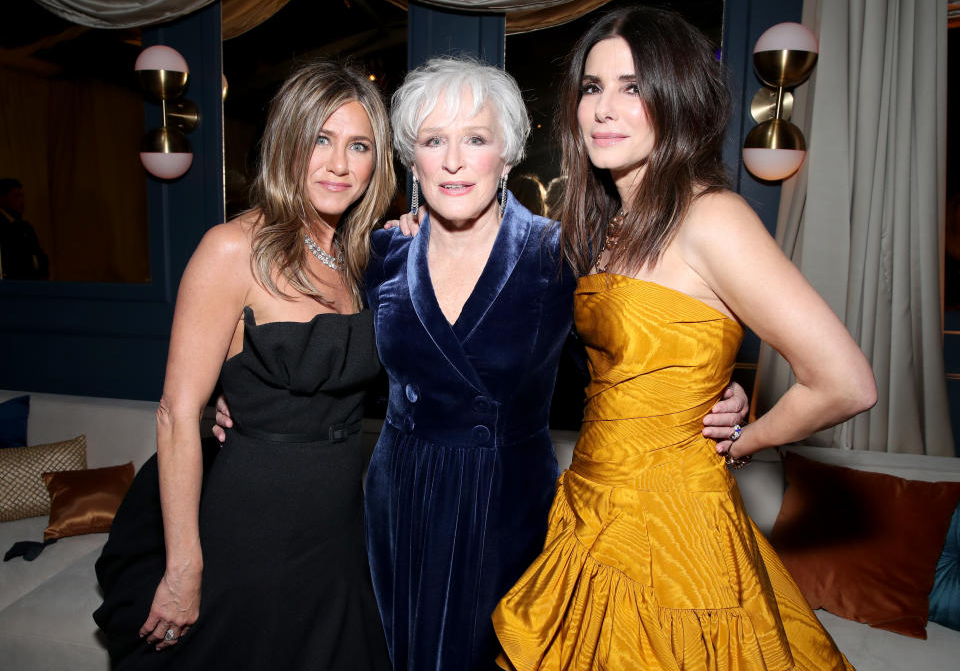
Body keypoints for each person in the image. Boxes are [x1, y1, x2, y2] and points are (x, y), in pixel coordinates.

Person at [213, 57, 748, 670]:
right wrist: (237, 393)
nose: (454, 159)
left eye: (475, 139)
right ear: (413, 160)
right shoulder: (379, 252)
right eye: (434, 141)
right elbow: (311, 338)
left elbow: (633, 352)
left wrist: (722, 392)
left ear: (509, 153)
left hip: (509, 504)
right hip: (399, 501)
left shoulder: (561, 254)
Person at [492, 7, 877, 671]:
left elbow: (846, 382)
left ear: (677, 100)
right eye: (592, 87)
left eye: (632, 87)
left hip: (673, 533)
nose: (604, 109)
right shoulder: (613, 226)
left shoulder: (711, 217)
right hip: (591, 507)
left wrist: (741, 439)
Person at [93, 59, 394, 670]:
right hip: (252, 524)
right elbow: (178, 413)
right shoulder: (232, 248)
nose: (339, 164)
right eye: (320, 140)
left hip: (338, 527)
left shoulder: (365, 259)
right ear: (287, 144)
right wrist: (184, 568)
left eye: (358, 145)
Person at [0, 178, 49, 279]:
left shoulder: (26, 227)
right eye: (16, 196)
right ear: (3, 198)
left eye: (22, 196)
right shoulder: (3, 227)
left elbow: (39, 257)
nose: (21, 201)